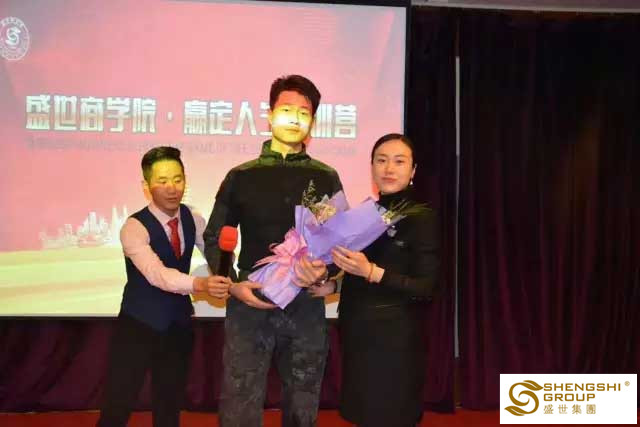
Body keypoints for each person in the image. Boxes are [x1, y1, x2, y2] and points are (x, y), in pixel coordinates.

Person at [203, 75, 343, 427]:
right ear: (269, 115)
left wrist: (323, 273)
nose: (295, 118)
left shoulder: (325, 177)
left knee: (303, 401)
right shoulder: (241, 176)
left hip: (305, 305)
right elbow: (216, 235)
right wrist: (233, 284)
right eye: (287, 110)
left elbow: (338, 241)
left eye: (304, 112)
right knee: (240, 400)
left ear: (312, 121)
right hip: (251, 301)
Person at [97, 146, 231, 427]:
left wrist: (229, 272)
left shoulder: (192, 217)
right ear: (146, 186)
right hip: (137, 325)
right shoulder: (134, 227)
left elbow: (212, 252)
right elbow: (157, 275)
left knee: (169, 404)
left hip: (178, 326)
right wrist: (201, 283)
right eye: (162, 181)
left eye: (178, 179)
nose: (172, 188)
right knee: (118, 402)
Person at [325, 133, 440, 427]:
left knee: (391, 415)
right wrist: (333, 285)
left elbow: (425, 287)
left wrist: (372, 272)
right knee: (362, 415)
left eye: (399, 161)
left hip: (395, 338)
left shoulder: (421, 217)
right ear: (372, 167)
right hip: (357, 331)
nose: (389, 168)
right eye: (381, 160)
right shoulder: (366, 215)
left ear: (413, 170)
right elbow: (360, 273)